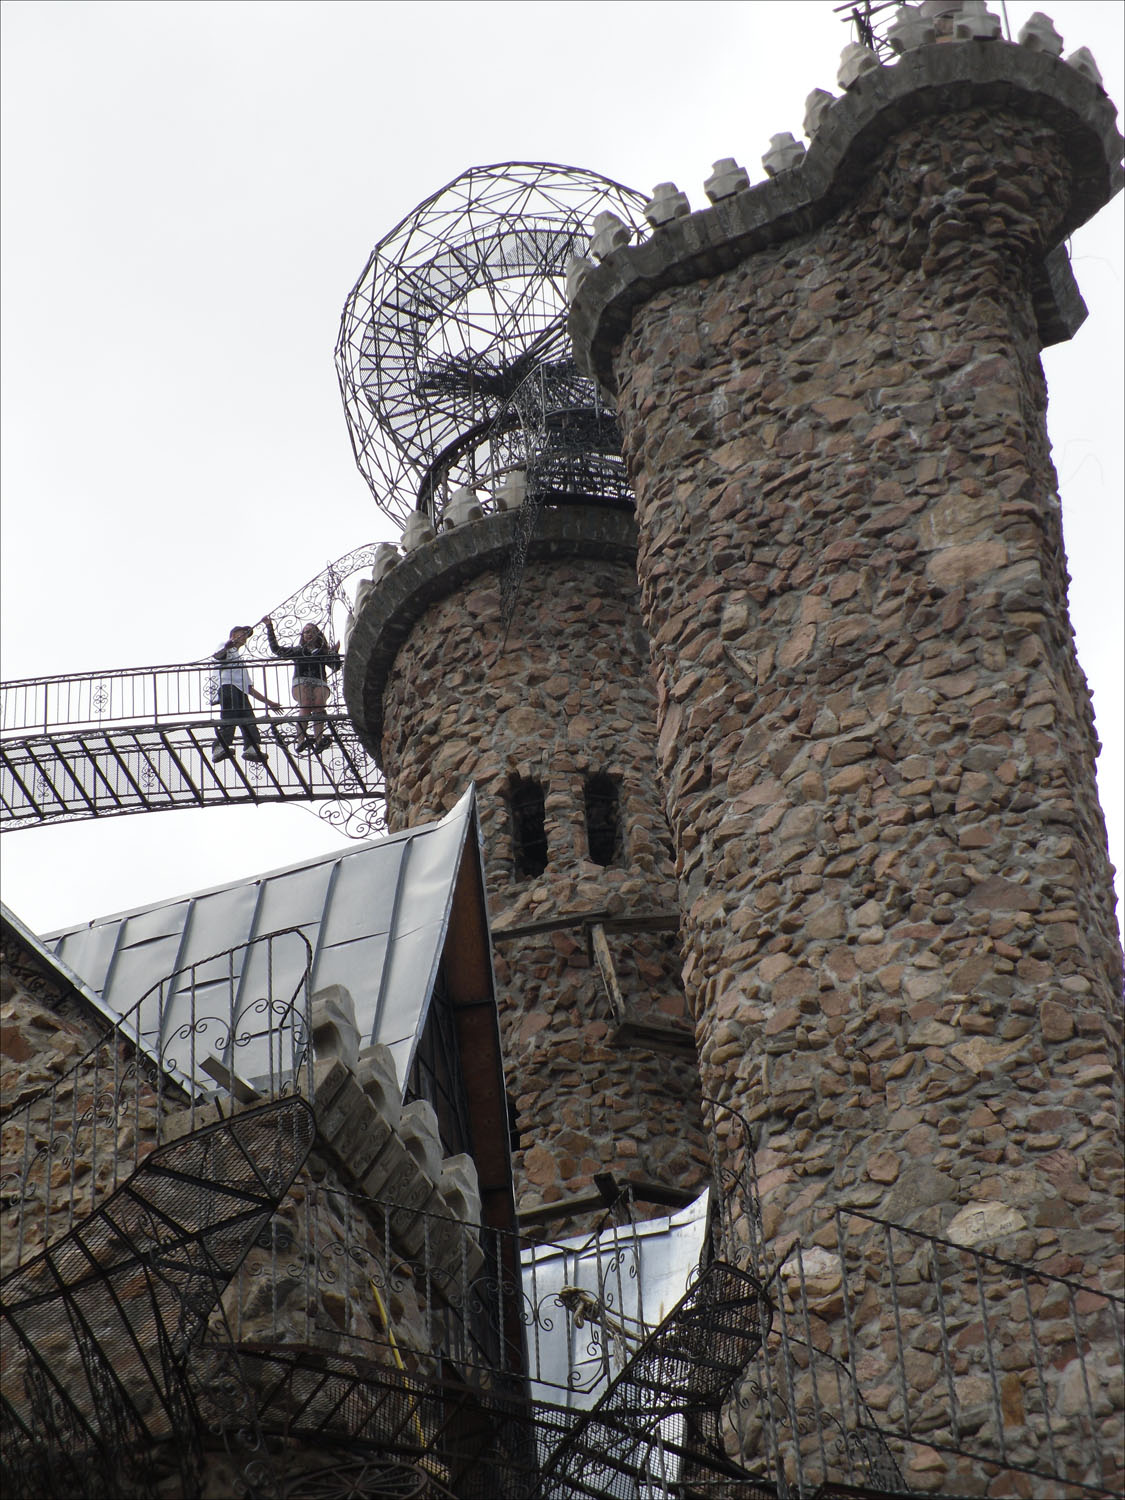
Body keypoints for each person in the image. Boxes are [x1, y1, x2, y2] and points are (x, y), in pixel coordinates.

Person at [262, 615, 341, 752]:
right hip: (301, 680)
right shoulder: (298, 650)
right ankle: (300, 741)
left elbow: (335, 666)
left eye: (311, 631)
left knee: (319, 706)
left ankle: (318, 740)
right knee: (305, 704)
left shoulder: (322, 652)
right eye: (306, 632)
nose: (309, 634)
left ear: (317, 635)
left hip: (319, 681)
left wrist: (334, 654)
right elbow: (277, 650)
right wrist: (269, 627)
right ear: (302, 635)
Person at [211, 624, 280, 763]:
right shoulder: (225, 646)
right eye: (242, 634)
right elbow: (218, 656)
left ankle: (252, 748)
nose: (244, 638)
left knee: (250, 720)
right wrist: (227, 647)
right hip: (228, 687)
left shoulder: (240, 661)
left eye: (246, 636)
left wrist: (269, 702)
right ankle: (219, 747)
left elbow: (249, 688)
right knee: (230, 718)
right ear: (233, 635)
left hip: (241, 692)